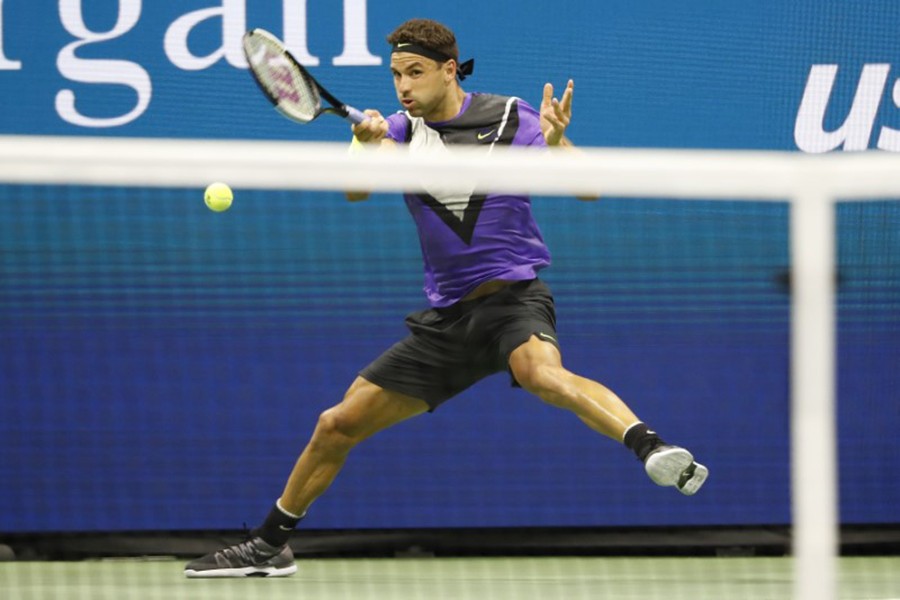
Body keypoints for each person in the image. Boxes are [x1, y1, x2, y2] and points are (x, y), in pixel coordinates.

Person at [184, 18, 708, 579]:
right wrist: (364, 144)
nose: (403, 86)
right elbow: (355, 190)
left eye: (415, 72)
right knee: (336, 424)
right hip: (449, 322)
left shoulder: (509, 118)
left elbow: (591, 188)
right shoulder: (398, 131)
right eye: (395, 75)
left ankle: (651, 448)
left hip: (513, 302)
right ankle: (269, 546)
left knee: (542, 373)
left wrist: (558, 144)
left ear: (449, 70)